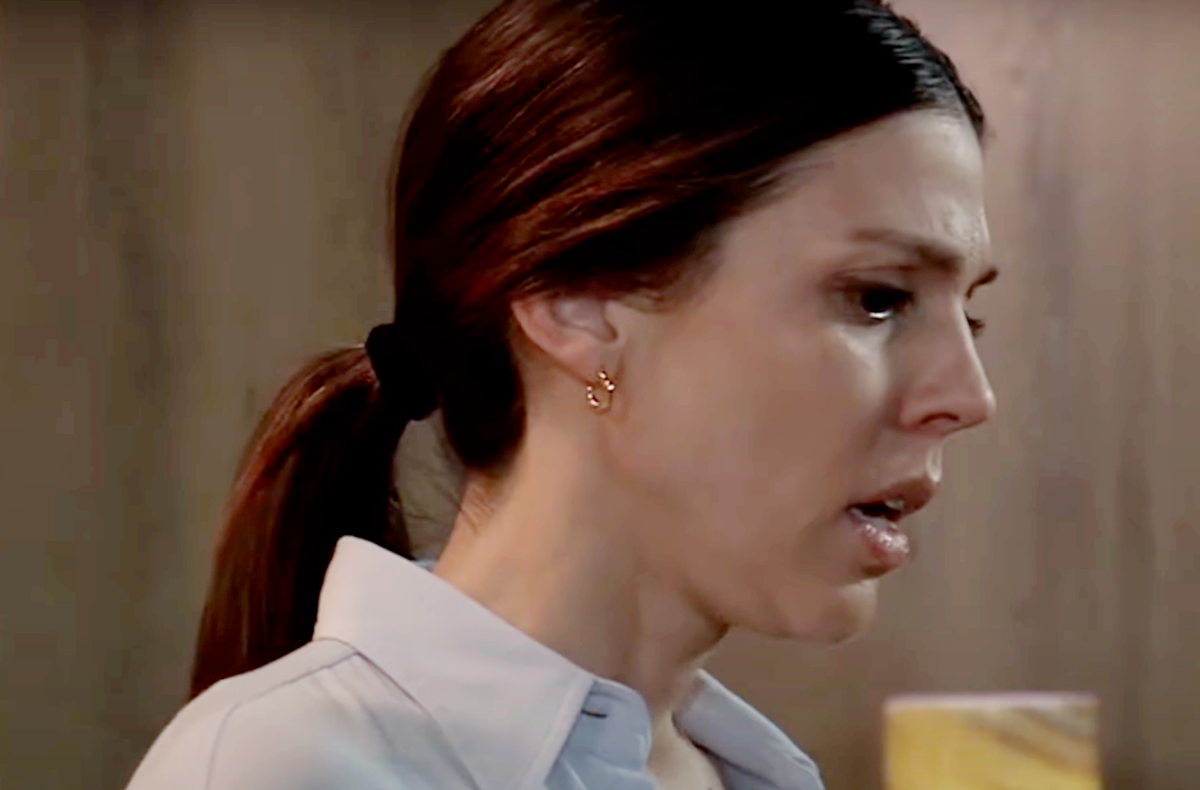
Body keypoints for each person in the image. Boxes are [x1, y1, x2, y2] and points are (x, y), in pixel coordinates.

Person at [125, 1, 998, 788]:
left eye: (969, 316)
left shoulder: (751, 773)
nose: (968, 395)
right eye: (877, 298)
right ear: (577, 302)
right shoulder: (284, 771)